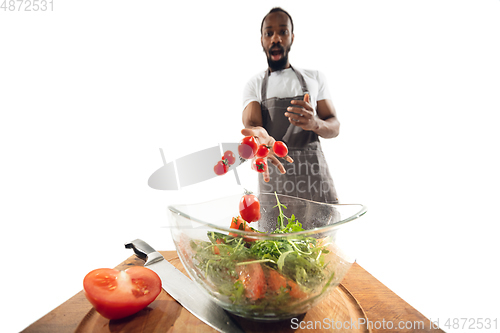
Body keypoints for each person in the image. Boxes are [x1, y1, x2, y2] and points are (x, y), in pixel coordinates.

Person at [242, 7, 340, 205]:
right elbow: (252, 124)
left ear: (292, 37)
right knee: (276, 233)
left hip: (315, 185)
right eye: (269, 33)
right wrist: (258, 136)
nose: (276, 38)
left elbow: (334, 125)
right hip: (276, 188)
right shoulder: (254, 84)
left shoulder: (315, 78)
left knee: (322, 237)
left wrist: (315, 124)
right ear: (262, 40)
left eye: (283, 32)